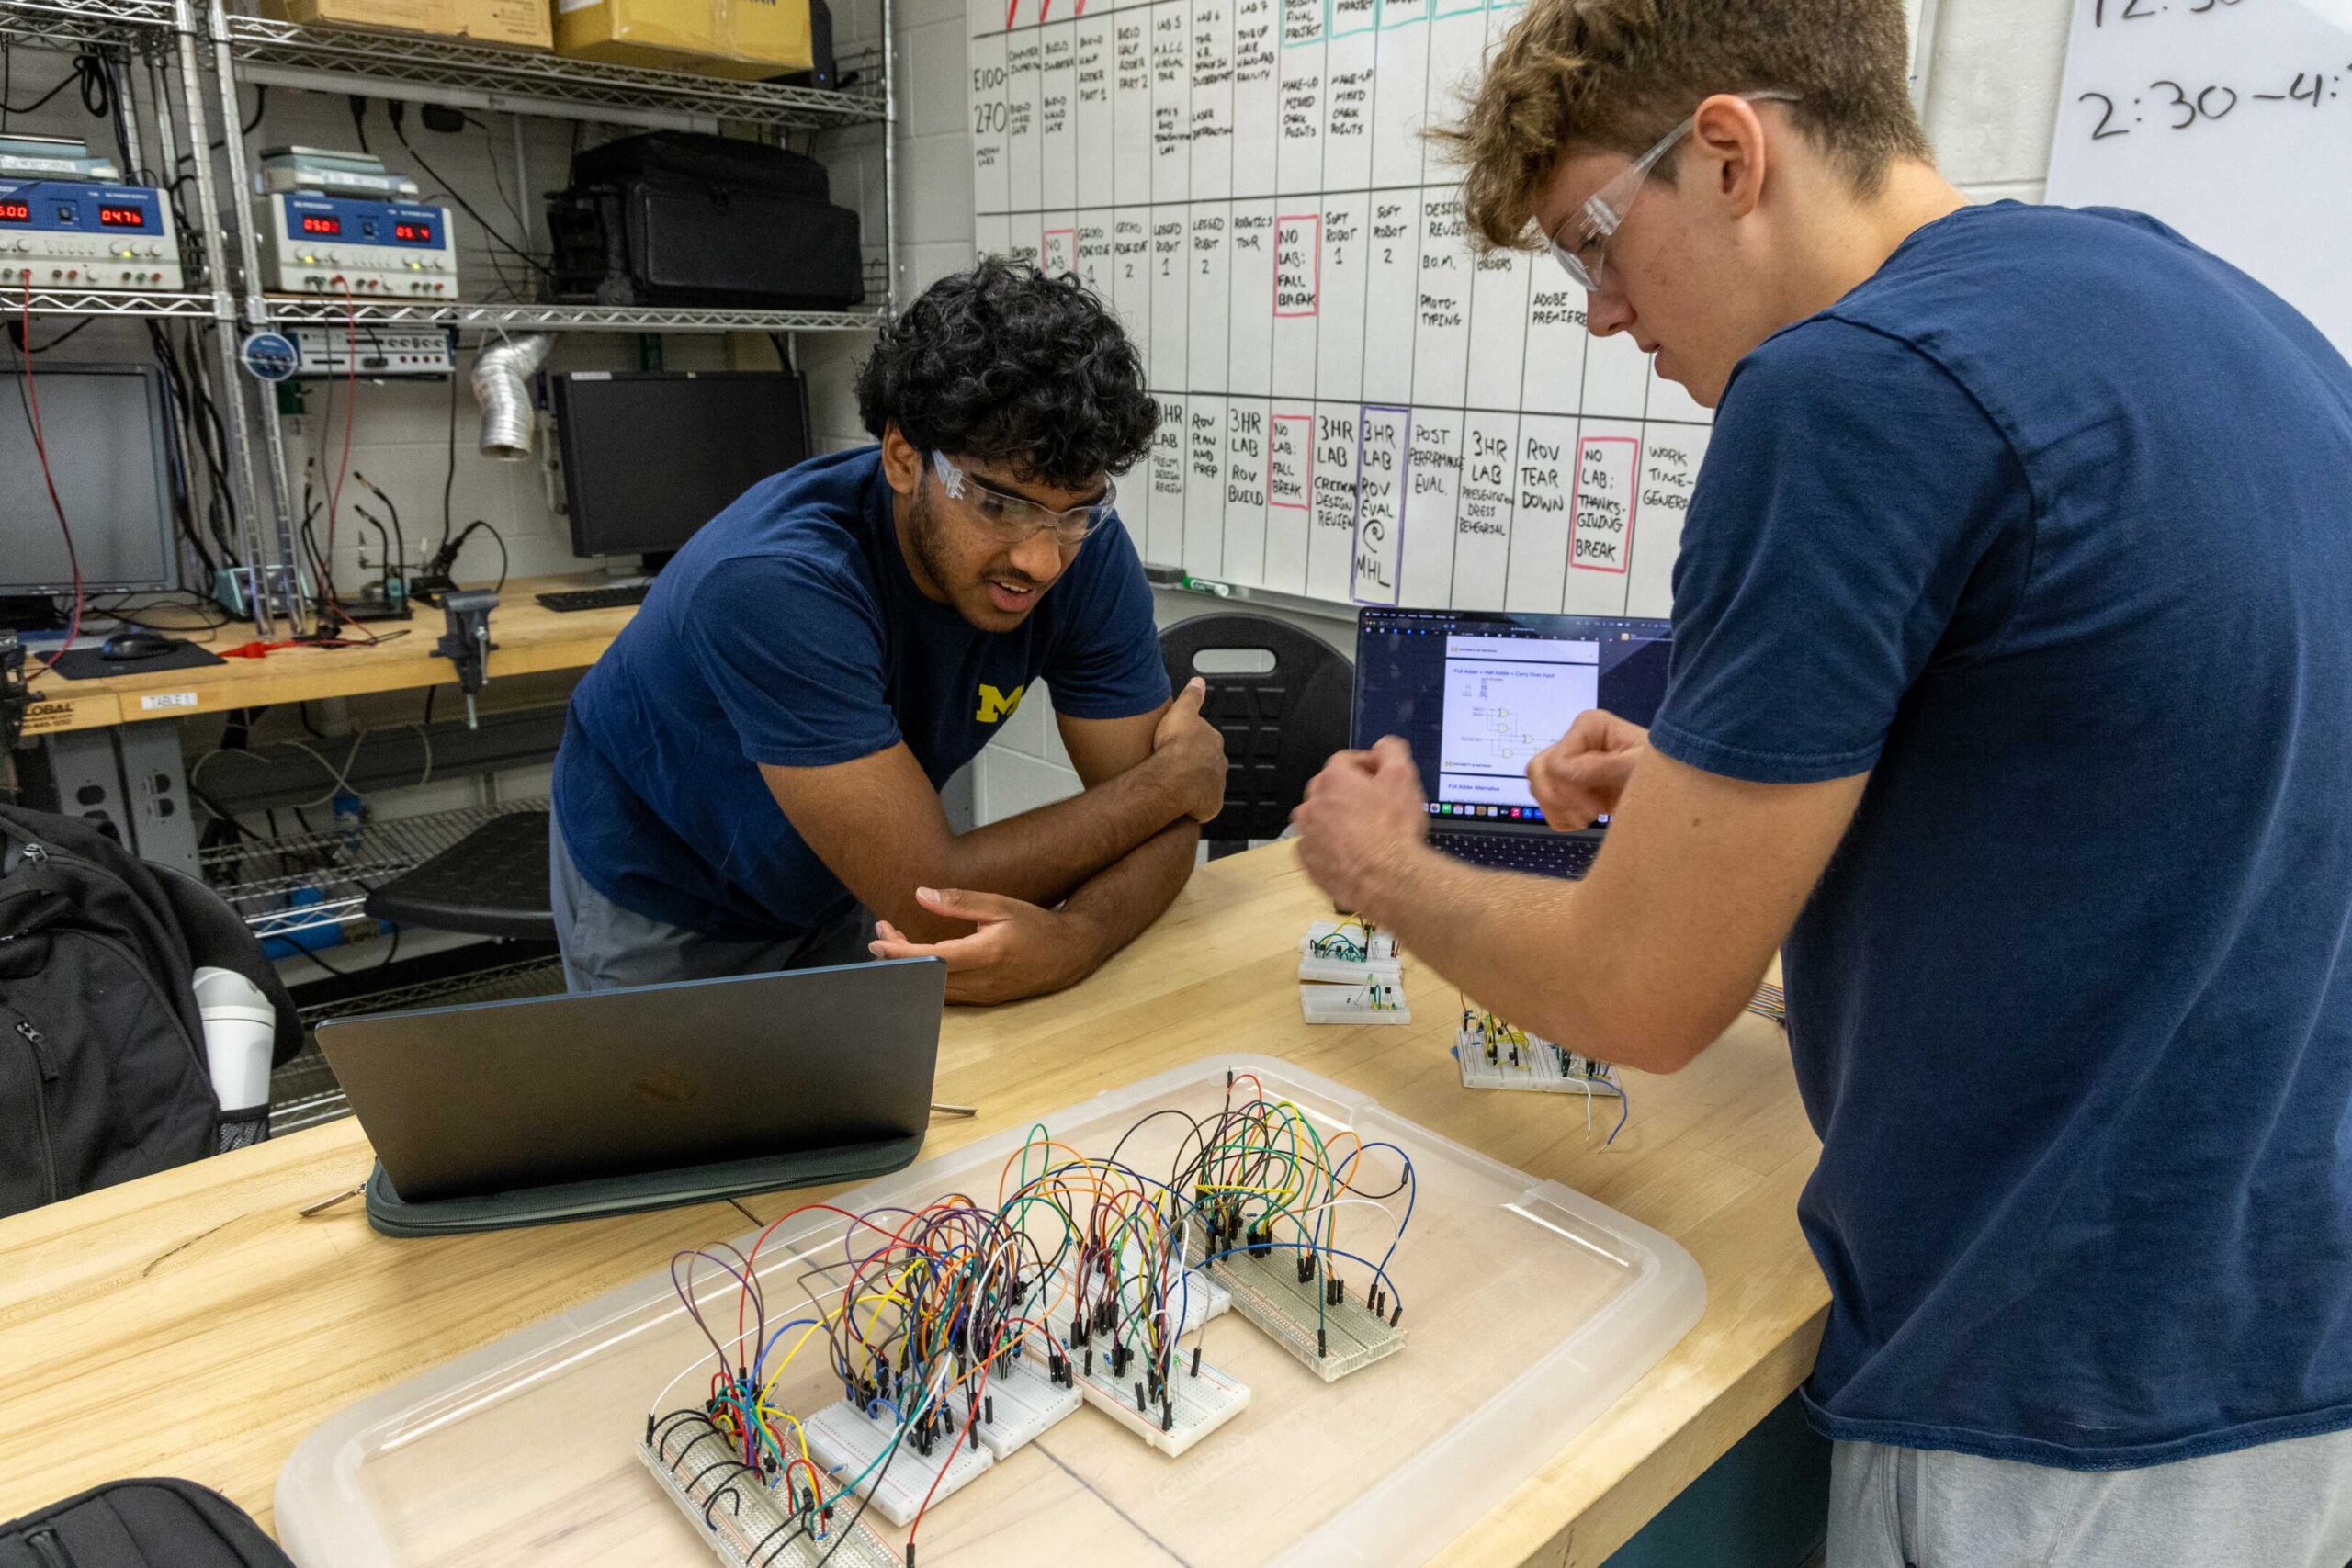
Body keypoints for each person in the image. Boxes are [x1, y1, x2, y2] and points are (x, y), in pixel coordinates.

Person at [1289, 2, 2352, 1562]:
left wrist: (1377, 865)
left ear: (1726, 153)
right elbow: (2135, 747)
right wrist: (1704, 782)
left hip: (2050, 1391)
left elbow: (1642, 997)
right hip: (2286, 1332)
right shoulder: (2197, 298)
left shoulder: (1845, 391)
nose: (1598, 314)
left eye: (1594, 241)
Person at [551, 260, 1223, 1003]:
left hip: (842, 880)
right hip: (669, 890)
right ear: (905, 458)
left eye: (1074, 511)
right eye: (998, 506)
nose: (1039, 558)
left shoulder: (1084, 548)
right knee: (680, 1116)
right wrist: (1168, 782)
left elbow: (1168, 825)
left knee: (863, 1099)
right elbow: (929, 893)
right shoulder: (775, 581)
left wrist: (1080, 935)